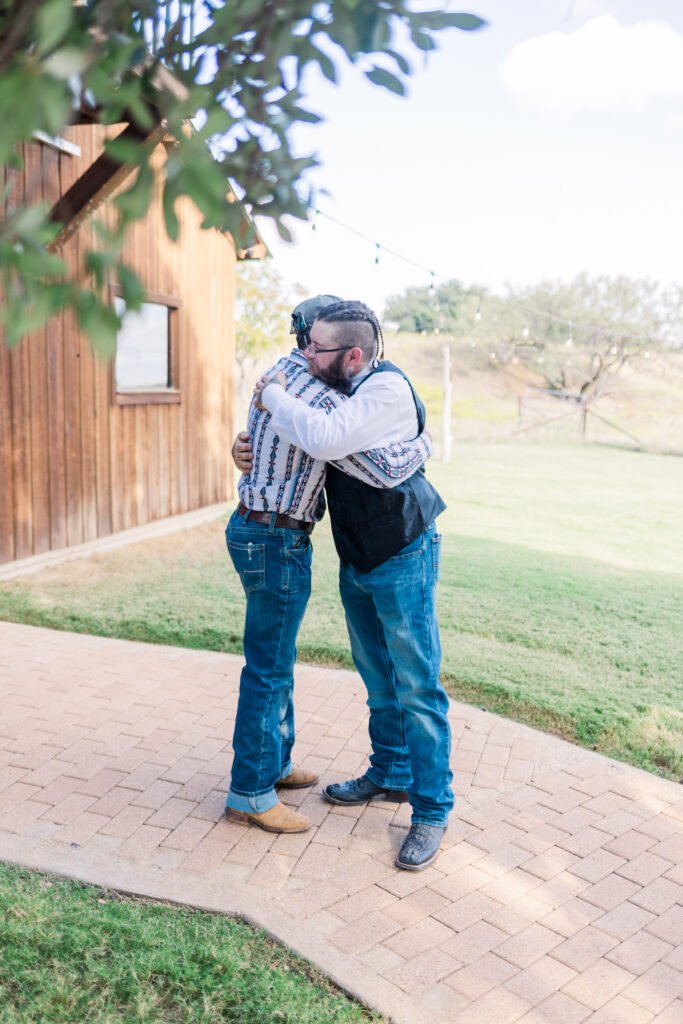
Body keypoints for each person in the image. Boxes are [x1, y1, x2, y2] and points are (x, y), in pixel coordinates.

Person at [252, 300, 454, 871]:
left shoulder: (383, 391)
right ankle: (390, 772)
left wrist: (270, 395)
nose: (305, 355)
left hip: (404, 551)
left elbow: (323, 438)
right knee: (377, 678)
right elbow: (291, 450)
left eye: (316, 348)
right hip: (358, 553)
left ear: (354, 354)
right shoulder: (337, 384)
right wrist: (247, 449)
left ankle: (431, 808)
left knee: (417, 687)